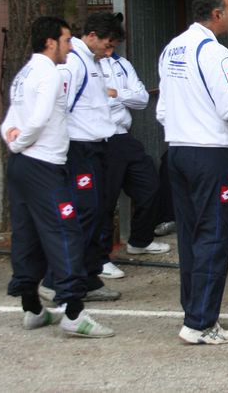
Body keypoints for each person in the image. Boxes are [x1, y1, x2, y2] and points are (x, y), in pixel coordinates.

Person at [2, 16, 114, 337]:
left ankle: (32, 308)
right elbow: (37, 121)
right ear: (50, 42)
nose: (70, 47)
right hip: (44, 167)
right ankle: (73, 313)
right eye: (66, 41)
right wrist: (22, 142)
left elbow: (10, 119)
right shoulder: (49, 73)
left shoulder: (25, 72)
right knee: (65, 232)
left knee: (27, 234)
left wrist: (15, 143)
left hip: (22, 165)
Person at [157, 0, 228, 345]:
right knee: (215, 235)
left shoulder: (172, 47)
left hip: (178, 151)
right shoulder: (215, 52)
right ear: (216, 14)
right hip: (211, 156)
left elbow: (162, 110)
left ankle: (193, 312)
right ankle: (201, 323)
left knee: (191, 236)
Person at [40, 12, 124, 304]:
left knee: (97, 213)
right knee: (83, 214)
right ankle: (56, 279)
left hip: (97, 146)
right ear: (91, 36)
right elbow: (59, 106)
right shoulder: (73, 62)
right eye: (107, 45)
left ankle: (87, 277)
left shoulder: (93, 61)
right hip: (79, 149)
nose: (109, 52)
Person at [96, 20, 171, 281]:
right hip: (101, 138)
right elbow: (94, 101)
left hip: (124, 136)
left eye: (114, 46)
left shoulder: (122, 64)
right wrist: (119, 96)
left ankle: (140, 240)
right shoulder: (84, 64)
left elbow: (141, 99)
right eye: (107, 45)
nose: (109, 51)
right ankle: (100, 258)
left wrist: (115, 93)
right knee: (105, 200)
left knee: (150, 186)